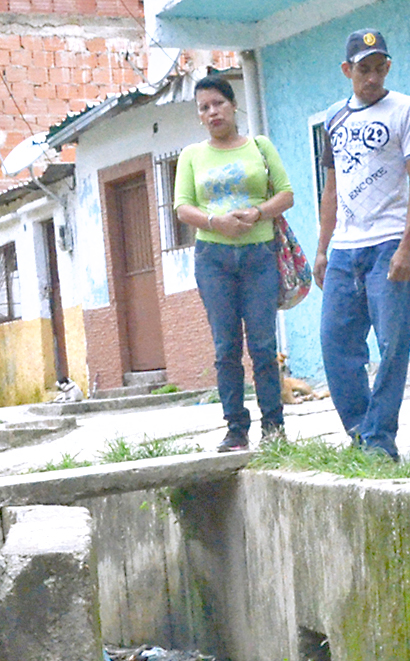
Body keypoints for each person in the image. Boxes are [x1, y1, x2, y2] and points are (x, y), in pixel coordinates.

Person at [313, 29, 410, 460]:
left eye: (380, 67)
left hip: (387, 244)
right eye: (364, 68)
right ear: (348, 70)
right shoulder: (334, 118)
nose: (372, 76)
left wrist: (406, 246)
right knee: (335, 343)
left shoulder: (406, 109)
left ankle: (380, 440)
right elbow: (331, 188)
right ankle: (362, 430)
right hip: (344, 249)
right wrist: (322, 248)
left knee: (393, 343)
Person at [174, 74, 296, 451]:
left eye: (218, 104)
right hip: (213, 258)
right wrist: (216, 222)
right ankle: (235, 429)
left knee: (262, 344)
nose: (212, 113)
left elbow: (287, 194)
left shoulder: (259, 147)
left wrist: (257, 213)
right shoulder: (192, 156)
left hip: (259, 256)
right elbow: (181, 207)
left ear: (233, 105)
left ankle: (273, 427)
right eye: (204, 108)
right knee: (226, 346)